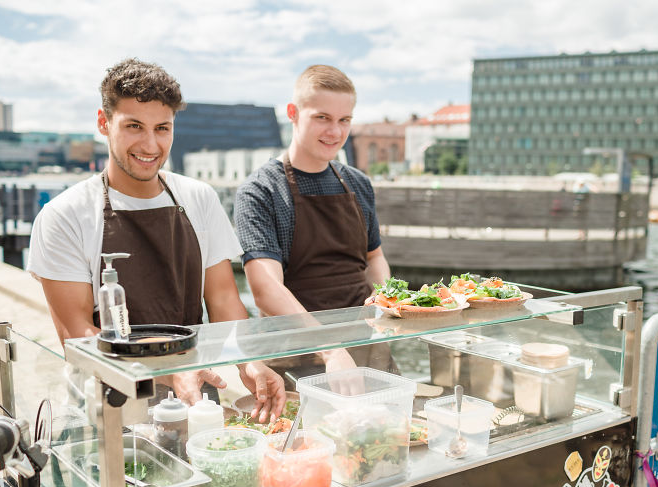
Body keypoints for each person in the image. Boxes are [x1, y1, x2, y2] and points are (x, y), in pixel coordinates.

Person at [27, 58, 285, 421]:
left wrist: (249, 363)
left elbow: (225, 299)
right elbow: (79, 337)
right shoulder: (63, 216)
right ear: (104, 123)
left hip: (196, 398)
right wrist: (171, 371)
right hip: (109, 409)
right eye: (134, 126)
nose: (150, 144)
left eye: (162, 128)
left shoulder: (199, 197)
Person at [234, 65, 392, 374]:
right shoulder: (260, 191)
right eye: (322, 118)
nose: (335, 132)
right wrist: (329, 350)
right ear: (293, 112)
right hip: (295, 356)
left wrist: (384, 296)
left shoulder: (359, 183)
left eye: (344, 120)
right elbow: (266, 291)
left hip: (366, 347)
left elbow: (375, 257)